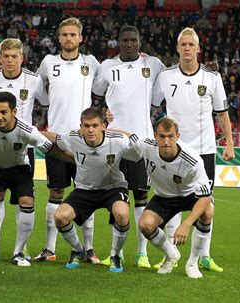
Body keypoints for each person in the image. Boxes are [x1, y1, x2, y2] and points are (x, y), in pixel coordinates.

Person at [153, 27, 235, 272]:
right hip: (174, 150)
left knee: (206, 204)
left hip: (204, 150)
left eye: (191, 44)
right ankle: (172, 254)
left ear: (198, 48)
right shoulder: (166, 77)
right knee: (172, 198)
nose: (187, 48)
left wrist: (229, 142)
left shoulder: (212, 78)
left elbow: (222, 114)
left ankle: (202, 257)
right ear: (177, 48)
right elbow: (153, 106)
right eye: (183, 44)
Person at [92, 25, 165, 269]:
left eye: (134, 40)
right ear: (119, 42)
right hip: (114, 142)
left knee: (142, 196)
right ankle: (117, 253)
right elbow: (97, 94)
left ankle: (142, 253)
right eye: (125, 40)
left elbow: (177, 72)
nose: (130, 44)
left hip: (142, 142)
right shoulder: (106, 67)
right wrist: (104, 112)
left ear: (140, 41)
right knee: (117, 197)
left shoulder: (153, 64)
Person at [35, 17, 101, 263]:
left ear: (80, 38)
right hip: (56, 139)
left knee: (86, 193)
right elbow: (39, 92)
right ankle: (50, 249)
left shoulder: (91, 63)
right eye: (64, 35)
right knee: (55, 191)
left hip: (85, 140)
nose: (69, 39)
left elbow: (109, 86)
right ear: (59, 38)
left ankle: (89, 249)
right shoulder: (48, 62)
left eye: (73, 35)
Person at [43, 108, 132, 272]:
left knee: (122, 214)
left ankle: (115, 255)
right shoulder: (72, 137)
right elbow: (56, 139)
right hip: (84, 190)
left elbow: (137, 143)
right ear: (81, 127)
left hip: (113, 188)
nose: (90, 130)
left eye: (95, 125)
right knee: (60, 217)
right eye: (87, 126)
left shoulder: (119, 140)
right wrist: (35, 131)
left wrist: (115, 130)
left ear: (103, 126)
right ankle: (78, 250)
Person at [0, 92, 54, 266]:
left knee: (27, 201)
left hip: (18, 168)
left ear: (14, 111)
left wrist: (74, 158)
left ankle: (18, 252)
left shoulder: (27, 130)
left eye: (3, 112)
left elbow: (49, 148)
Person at [0, 38, 45, 256]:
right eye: (5, 56)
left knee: (23, 199)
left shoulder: (33, 80)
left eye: (14, 56)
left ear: (21, 58)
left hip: (23, 145)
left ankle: (22, 247)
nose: (9, 60)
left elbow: (46, 101)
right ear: (0, 58)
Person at [130, 117, 214, 279]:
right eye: (162, 136)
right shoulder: (146, 146)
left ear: (178, 136)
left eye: (170, 136)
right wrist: (106, 130)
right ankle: (171, 254)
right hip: (164, 197)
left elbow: (205, 197)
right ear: (155, 136)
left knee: (208, 211)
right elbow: (130, 137)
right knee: (145, 225)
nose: (166, 141)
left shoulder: (193, 160)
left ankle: (192, 263)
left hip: (190, 195)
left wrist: (187, 224)